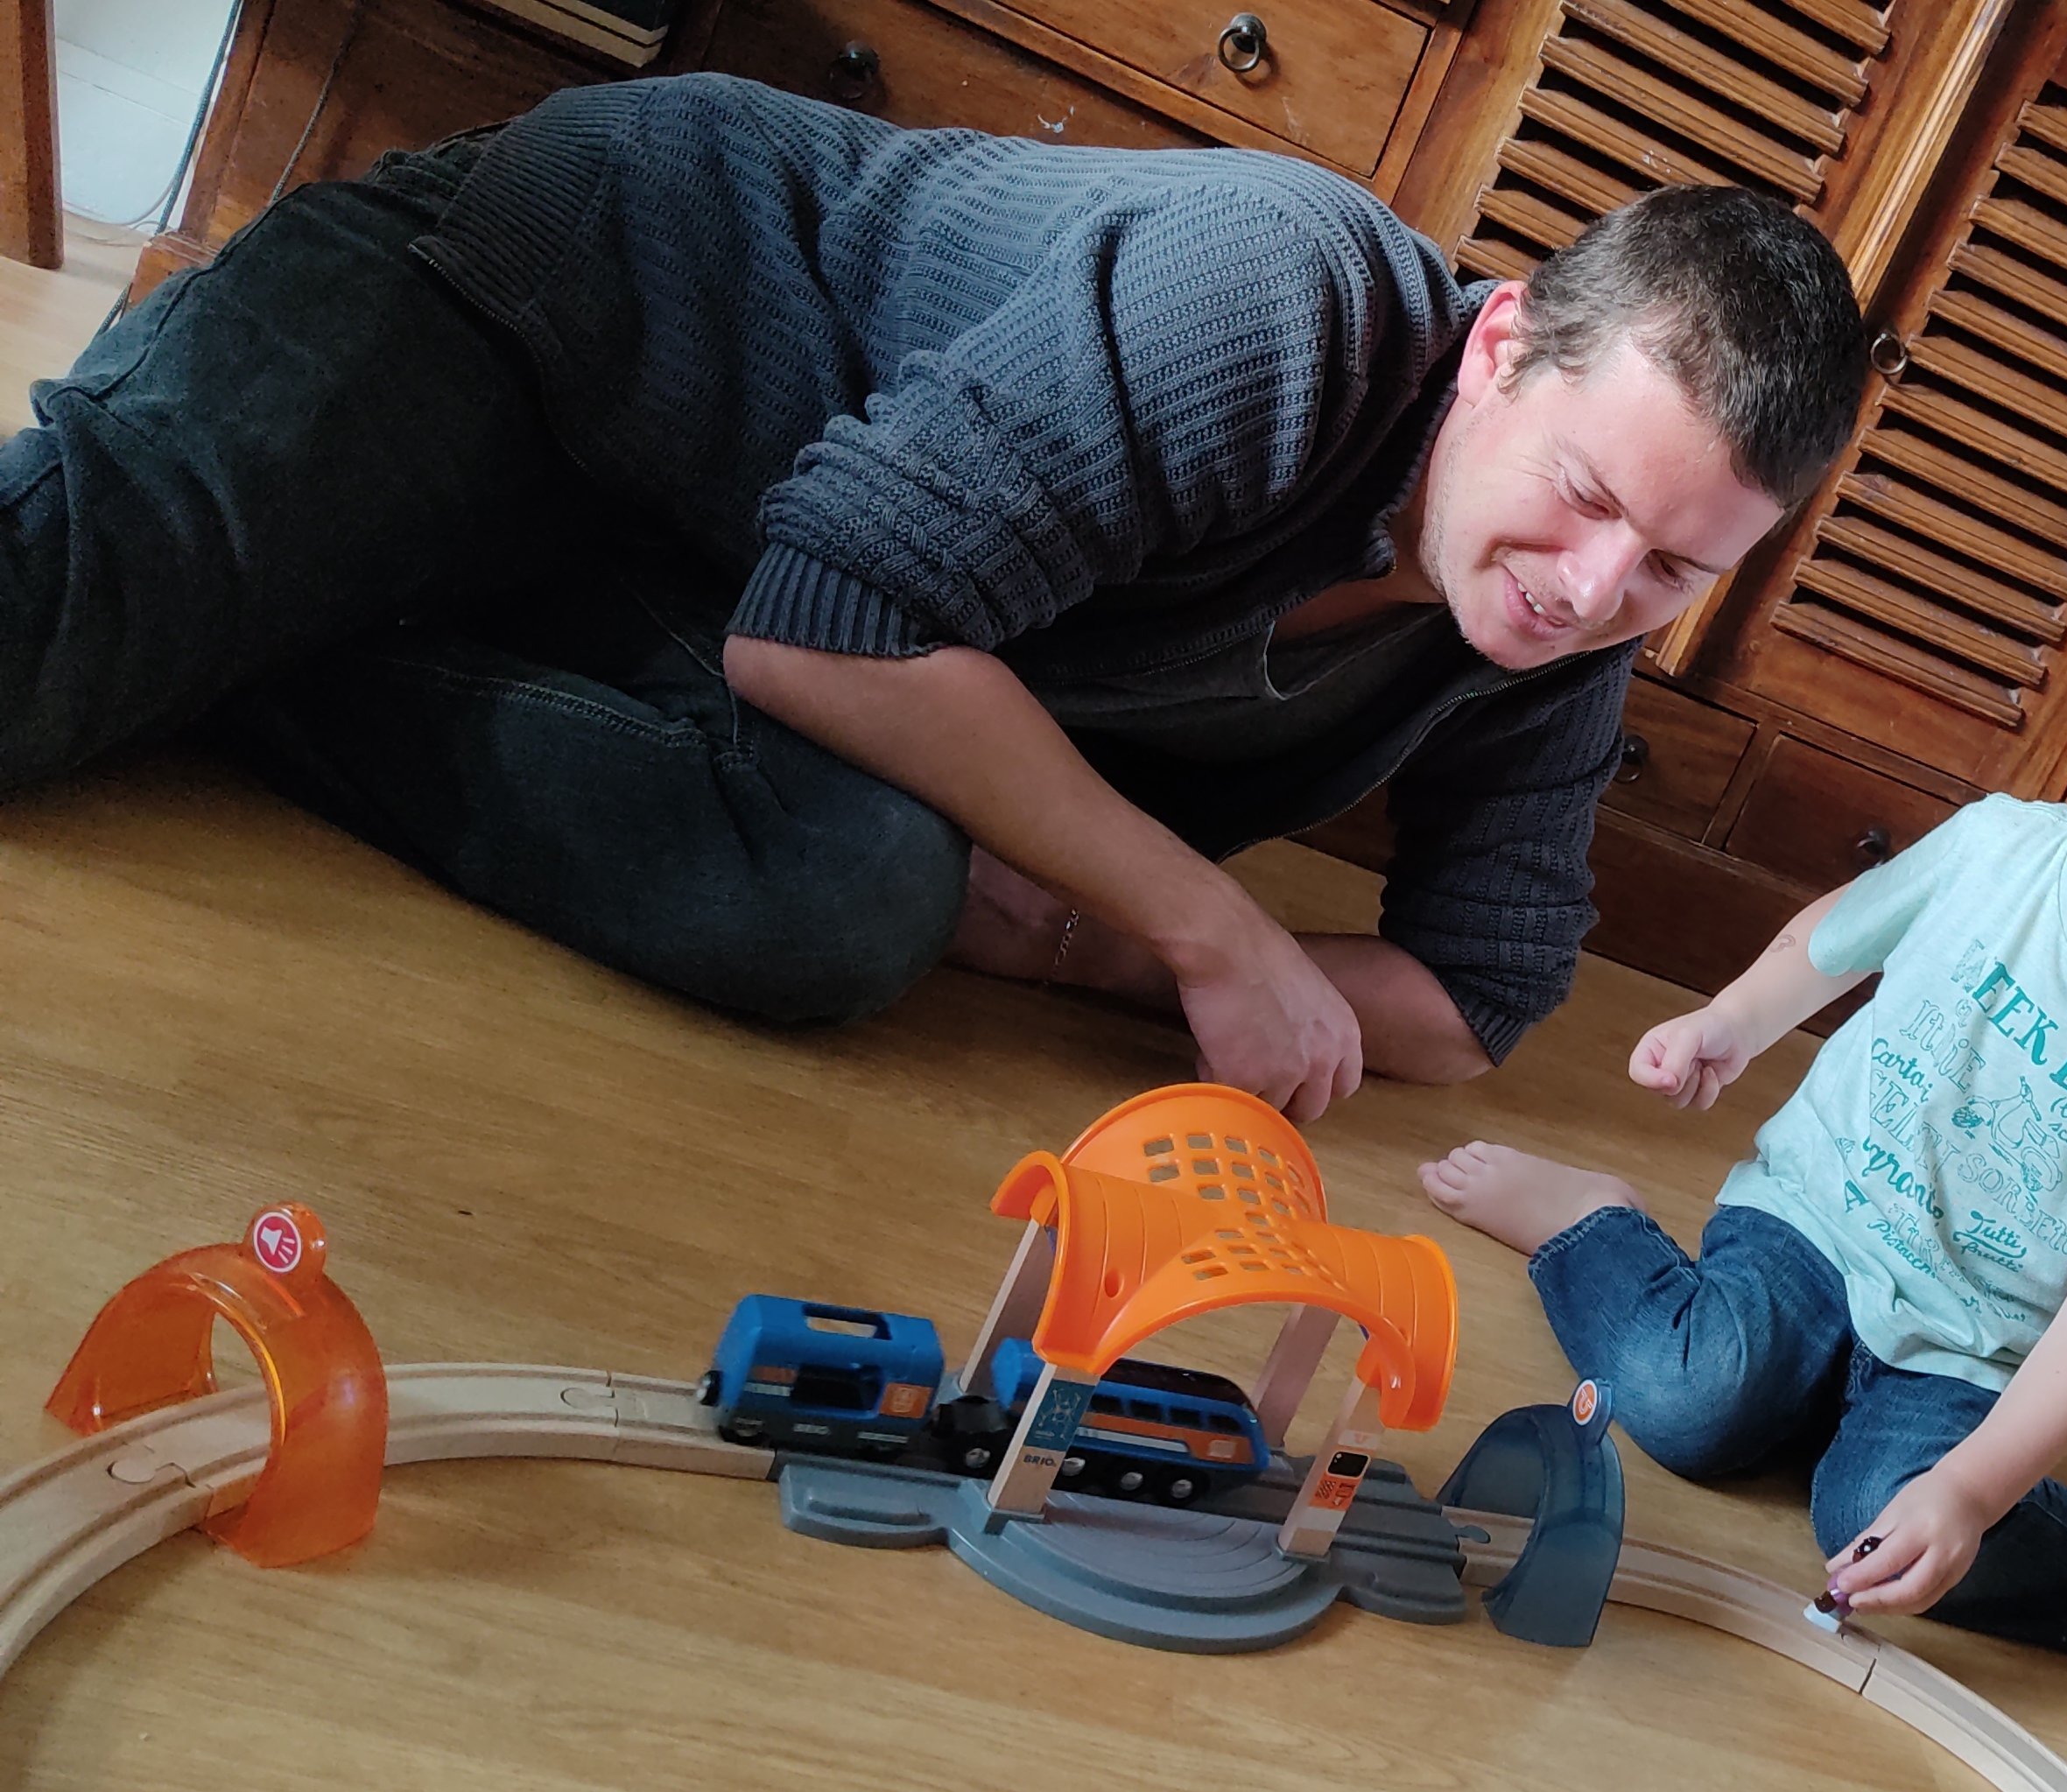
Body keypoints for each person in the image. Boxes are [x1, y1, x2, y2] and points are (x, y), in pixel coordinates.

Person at [0, 73, 1866, 1119]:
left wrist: (1069, 940)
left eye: (1677, 567)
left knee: (846, 899)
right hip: (545, 323)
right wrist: (1207, 927)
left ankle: (276, 624)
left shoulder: (1561, 629)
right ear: (1502, 350)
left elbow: (1472, 1003)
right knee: (46, 641)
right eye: (1587, 499)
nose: (1593, 590)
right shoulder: (1283, 295)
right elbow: (838, 615)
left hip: (702, 588)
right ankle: (231, 542)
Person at [1420, 531, 2067, 1714]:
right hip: (1813, 1221)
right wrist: (1732, 1021)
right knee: (1691, 1402)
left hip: (1971, 1345)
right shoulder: (2001, 850)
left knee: (1886, 1520)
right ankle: (1594, 1226)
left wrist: (1974, 1492)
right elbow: (1845, 933)